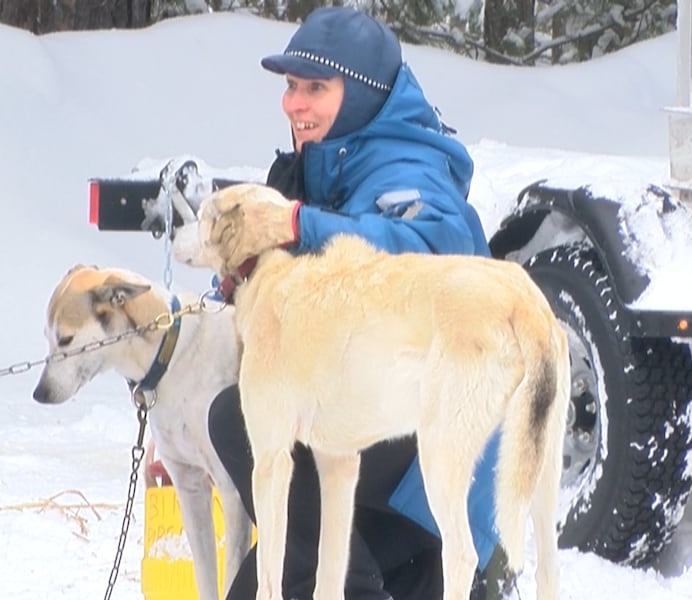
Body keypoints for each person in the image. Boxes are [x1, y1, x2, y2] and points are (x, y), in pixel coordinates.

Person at [208, 7, 508, 599]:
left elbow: (431, 249)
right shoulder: (330, 162)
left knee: (241, 418)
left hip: (438, 457)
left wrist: (297, 226)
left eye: (315, 87)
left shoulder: (407, 167)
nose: (295, 103)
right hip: (376, 463)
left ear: (363, 94)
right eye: (291, 87)